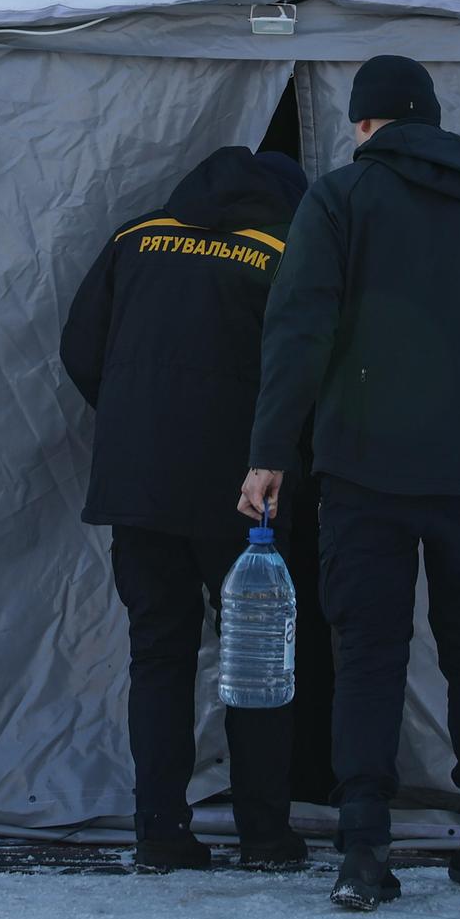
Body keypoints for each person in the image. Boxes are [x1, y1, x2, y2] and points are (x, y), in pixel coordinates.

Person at [241, 57, 460, 911]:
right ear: (432, 119)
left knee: (369, 659)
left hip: (363, 473)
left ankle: (362, 852)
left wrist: (270, 451)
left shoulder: (341, 201)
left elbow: (299, 329)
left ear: (363, 124)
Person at [60, 143, 311, 872]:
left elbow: (81, 348)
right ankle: (265, 835)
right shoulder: (280, 253)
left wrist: (132, 422)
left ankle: (160, 831)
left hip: (138, 489)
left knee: (159, 656)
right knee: (258, 657)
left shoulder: (135, 238)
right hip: (244, 497)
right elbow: (303, 372)